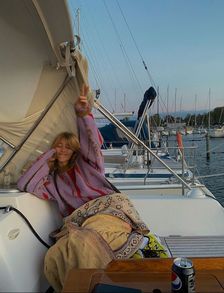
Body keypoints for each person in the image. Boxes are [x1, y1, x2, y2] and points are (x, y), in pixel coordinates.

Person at [17, 85, 168, 292]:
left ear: (75, 150)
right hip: (80, 222)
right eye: (58, 145)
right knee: (55, 255)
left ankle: (142, 244)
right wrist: (48, 157)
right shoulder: (52, 182)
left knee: (86, 243)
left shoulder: (89, 165)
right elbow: (25, 184)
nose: (63, 149)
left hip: (106, 211)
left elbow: (92, 143)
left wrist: (83, 115)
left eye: (68, 146)